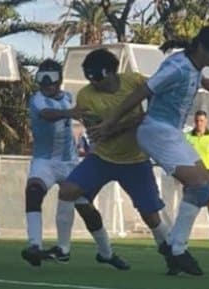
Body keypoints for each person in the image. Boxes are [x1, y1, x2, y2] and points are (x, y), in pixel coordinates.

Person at [96, 26, 209, 276]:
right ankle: (176, 250)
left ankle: (175, 248)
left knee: (208, 186)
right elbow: (142, 92)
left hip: (173, 133)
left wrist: (207, 81)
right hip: (155, 132)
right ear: (201, 47)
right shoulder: (176, 67)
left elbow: (194, 75)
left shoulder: (194, 67)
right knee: (199, 186)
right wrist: (112, 121)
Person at [59, 48, 171, 272]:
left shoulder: (135, 81)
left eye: (97, 76)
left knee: (151, 216)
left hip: (135, 159)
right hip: (103, 158)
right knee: (69, 191)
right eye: (88, 77)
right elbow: (97, 132)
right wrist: (108, 129)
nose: (93, 82)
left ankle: (172, 253)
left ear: (111, 72)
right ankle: (79, 250)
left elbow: (159, 105)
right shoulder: (86, 95)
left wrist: (119, 126)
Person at [21, 59, 115, 268]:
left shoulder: (70, 98)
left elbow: (84, 117)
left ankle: (106, 252)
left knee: (86, 207)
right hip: (45, 161)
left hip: (70, 162)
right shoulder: (37, 100)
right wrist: (70, 113)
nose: (45, 83)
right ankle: (35, 246)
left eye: (51, 78)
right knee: (33, 192)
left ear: (60, 79)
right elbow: (47, 115)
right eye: (41, 78)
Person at [185, 110, 209, 241]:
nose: (199, 123)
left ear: (206, 121)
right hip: (192, 172)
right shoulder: (187, 136)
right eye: (197, 121)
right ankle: (185, 230)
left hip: (208, 171)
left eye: (201, 121)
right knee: (189, 200)